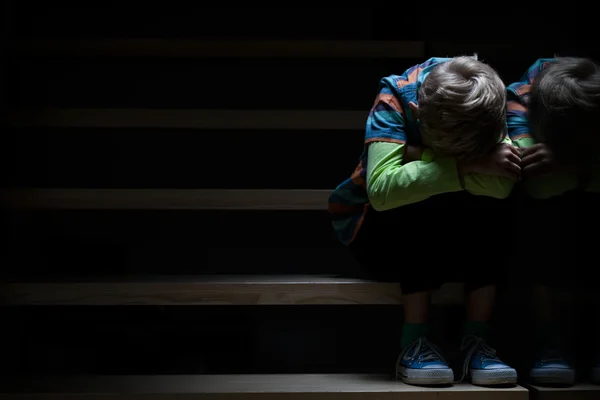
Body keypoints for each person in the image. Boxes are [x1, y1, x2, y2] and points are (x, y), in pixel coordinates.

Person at [328, 56, 519, 386]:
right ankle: (413, 342)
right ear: (418, 114)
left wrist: (421, 156)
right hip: (375, 231)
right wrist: (466, 166)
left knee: (491, 203)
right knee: (415, 195)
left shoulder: (485, 100)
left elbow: (501, 185)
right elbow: (383, 190)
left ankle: (476, 342)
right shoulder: (396, 96)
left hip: (452, 236)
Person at [506, 56, 600, 385]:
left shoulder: (593, 99)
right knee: (541, 209)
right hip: (543, 215)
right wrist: (584, 167)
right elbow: (538, 181)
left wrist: (568, 164)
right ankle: (549, 339)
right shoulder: (520, 98)